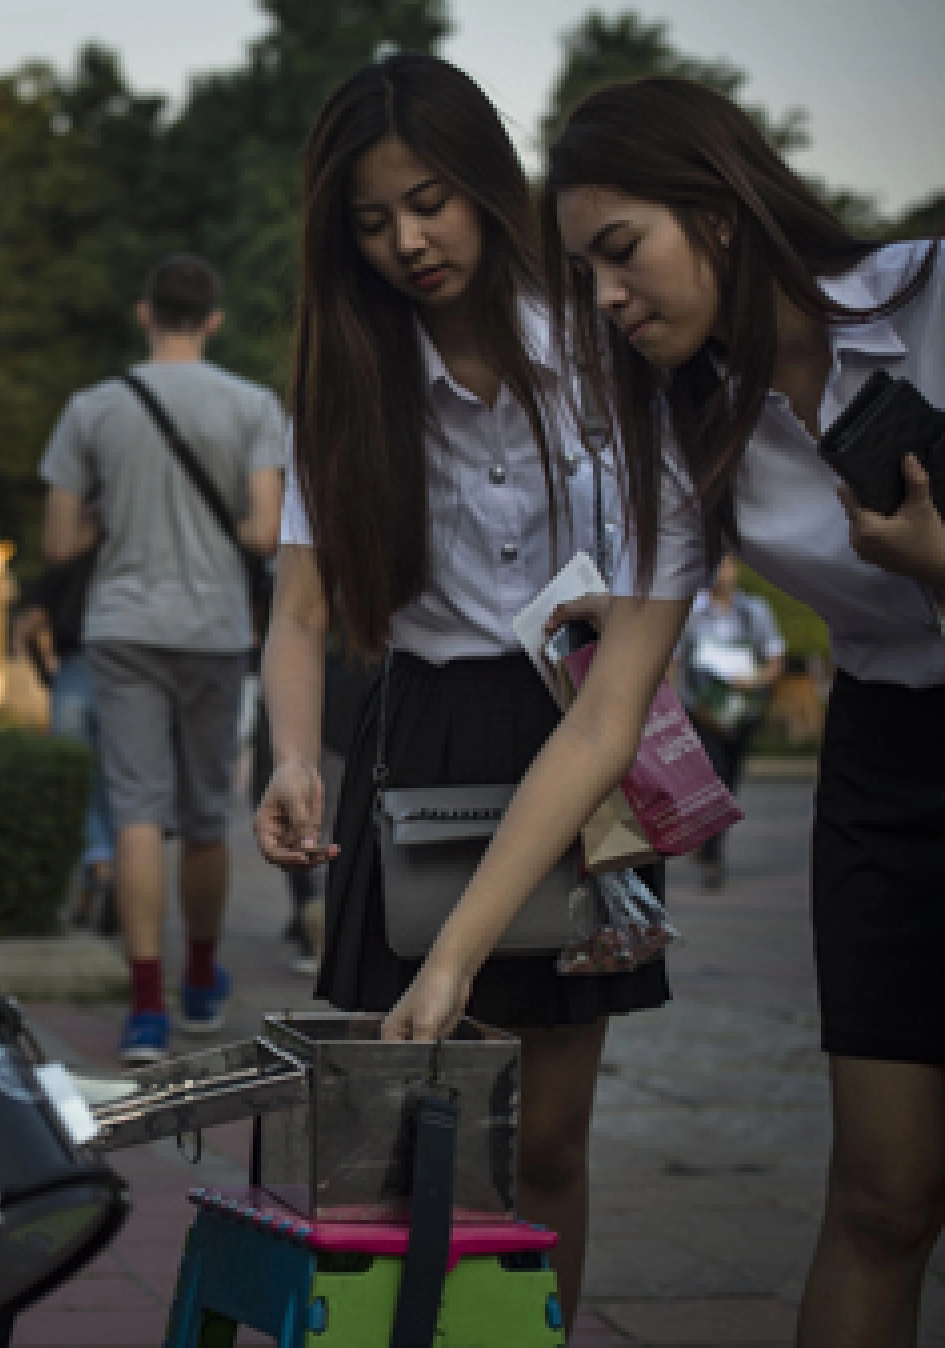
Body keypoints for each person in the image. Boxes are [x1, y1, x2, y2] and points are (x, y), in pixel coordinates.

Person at [252, 56, 707, 1326]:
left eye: (429, 202)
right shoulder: (345, 380)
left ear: (487, 188)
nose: (406, 241)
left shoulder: (607, 346)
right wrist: (291, 754)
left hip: (579, 727)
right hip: (420, 738)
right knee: (405, 1126)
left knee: (547, 1136)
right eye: (370, 220)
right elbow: (298, 609)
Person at [545, 76, 945, 1347]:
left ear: (716, 209)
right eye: (586, 274)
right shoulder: (687, 421)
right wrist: (449, 962)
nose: (608, 298)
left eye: (621, 250)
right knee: (880, 1194)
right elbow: (606, 715)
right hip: (888, 757)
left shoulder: (929, 301)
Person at [41, 253, 285, 1064]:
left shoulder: (93, 408)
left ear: (145, 314)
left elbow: (58, 542)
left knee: (136, 811)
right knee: (207, 814)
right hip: (215, 628)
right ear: (213, 319)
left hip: (123, 627)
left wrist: (113, 514)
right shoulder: (253, 406)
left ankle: (146, 1006)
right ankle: (202, 981)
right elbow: (265, 533)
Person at [14, 550, 116, 929]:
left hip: (73, 672)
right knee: (118, 788)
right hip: (126, 674)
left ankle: (98, 865)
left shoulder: (66, 558)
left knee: (78, 786)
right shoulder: (130, 556)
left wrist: (45, 674)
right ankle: (108, 878)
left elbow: (30, 627)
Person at [671, 555, 786, 887]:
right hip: (702, 713)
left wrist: (756, 680)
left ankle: (710, 844)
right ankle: (712, 856)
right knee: (713, 779)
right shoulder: (691, 613)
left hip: (741, 714)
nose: (723, 572)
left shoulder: (755, 611)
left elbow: (774, 657)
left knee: (729, 781)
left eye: (727, 564)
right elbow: (676, 661)